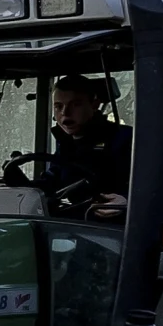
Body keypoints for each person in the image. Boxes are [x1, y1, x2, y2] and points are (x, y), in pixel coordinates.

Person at [44, 76, 134, 221]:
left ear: (94, 105)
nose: (65, 113)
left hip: (118, 226)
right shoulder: (66, 144)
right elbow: (52, 180)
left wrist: (127, 201)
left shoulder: (127, 139)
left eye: (75, 104)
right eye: (58, 106)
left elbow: (158, 185)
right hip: (70, 224)